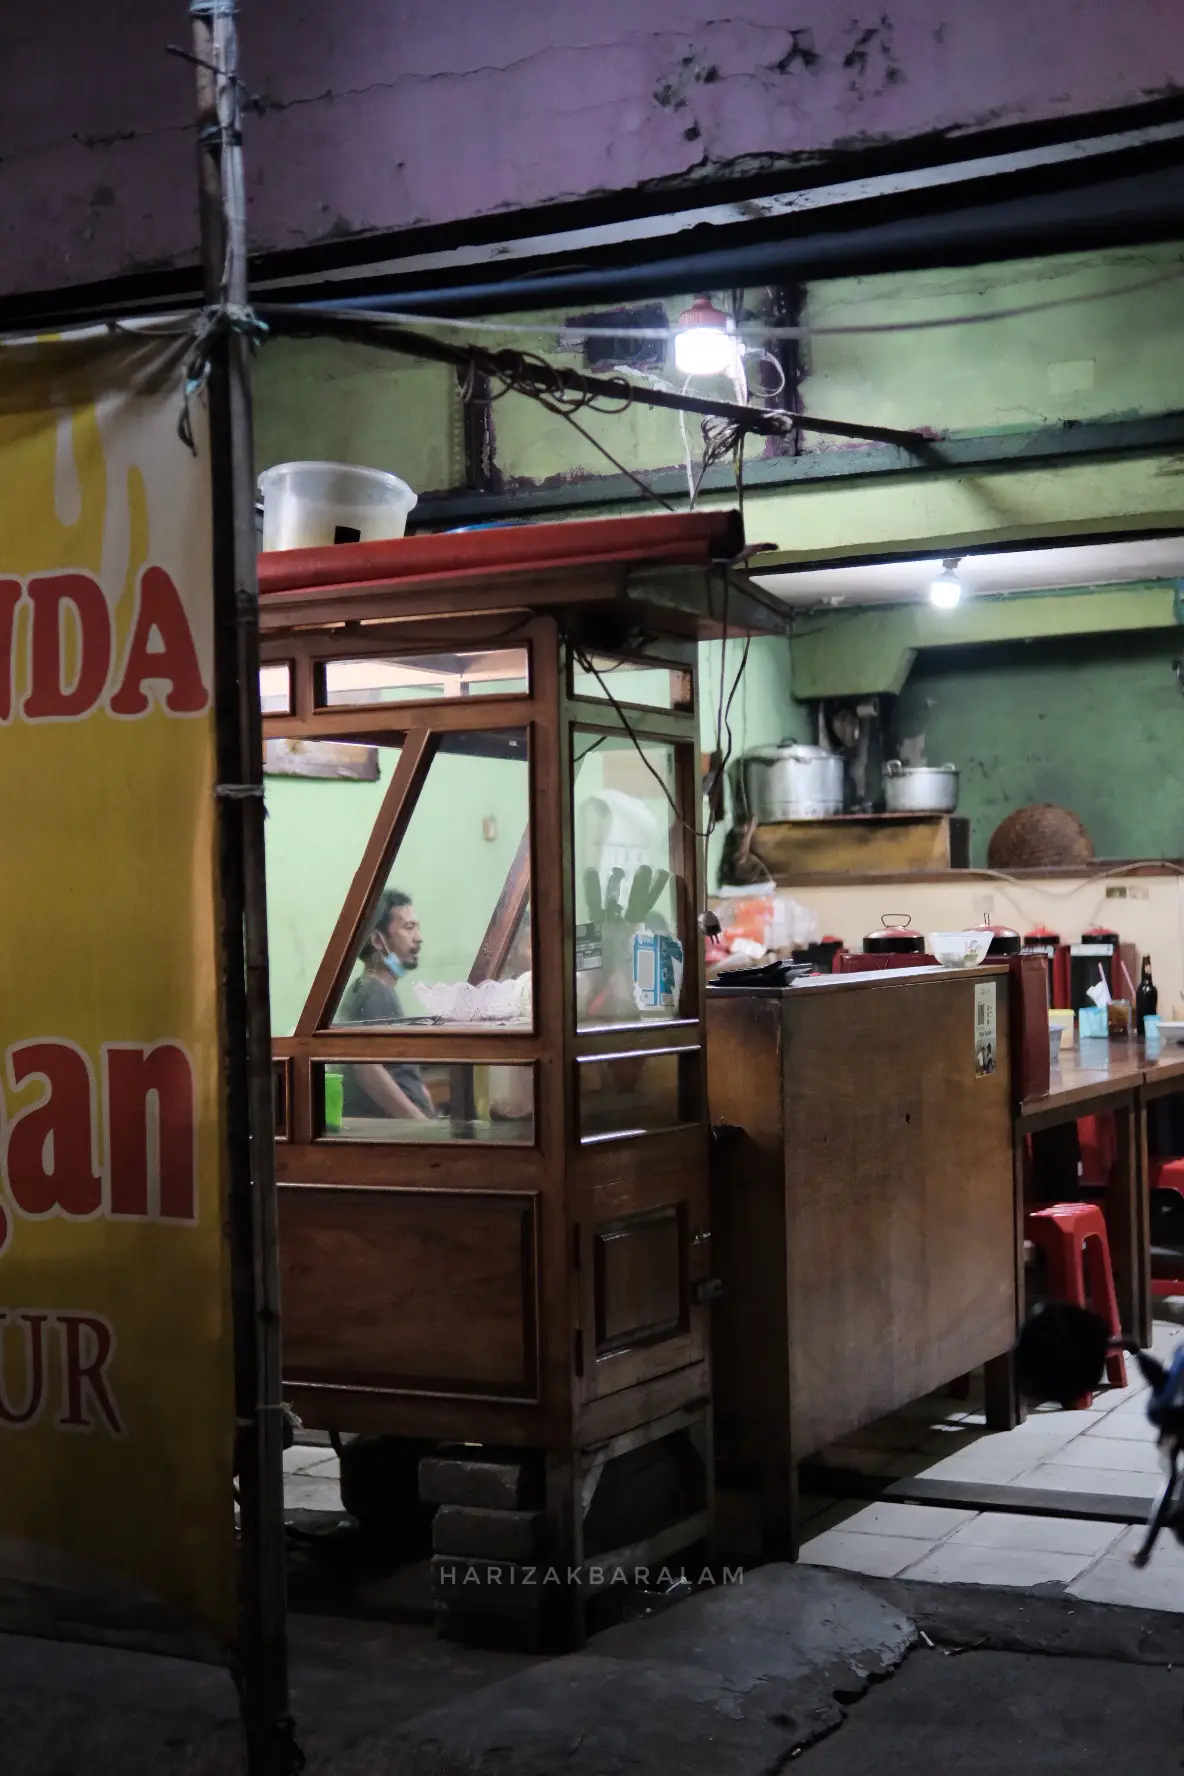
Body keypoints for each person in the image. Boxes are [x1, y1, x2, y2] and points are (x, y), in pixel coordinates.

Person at [338, 888, 436, 1121]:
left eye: (416, 927)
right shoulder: (372, 991)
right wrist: (419, 1124)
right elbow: (366, 1069)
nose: (418, 937)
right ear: (377, 941)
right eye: (408, 928)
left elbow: (395, 1068)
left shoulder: (375, 990)